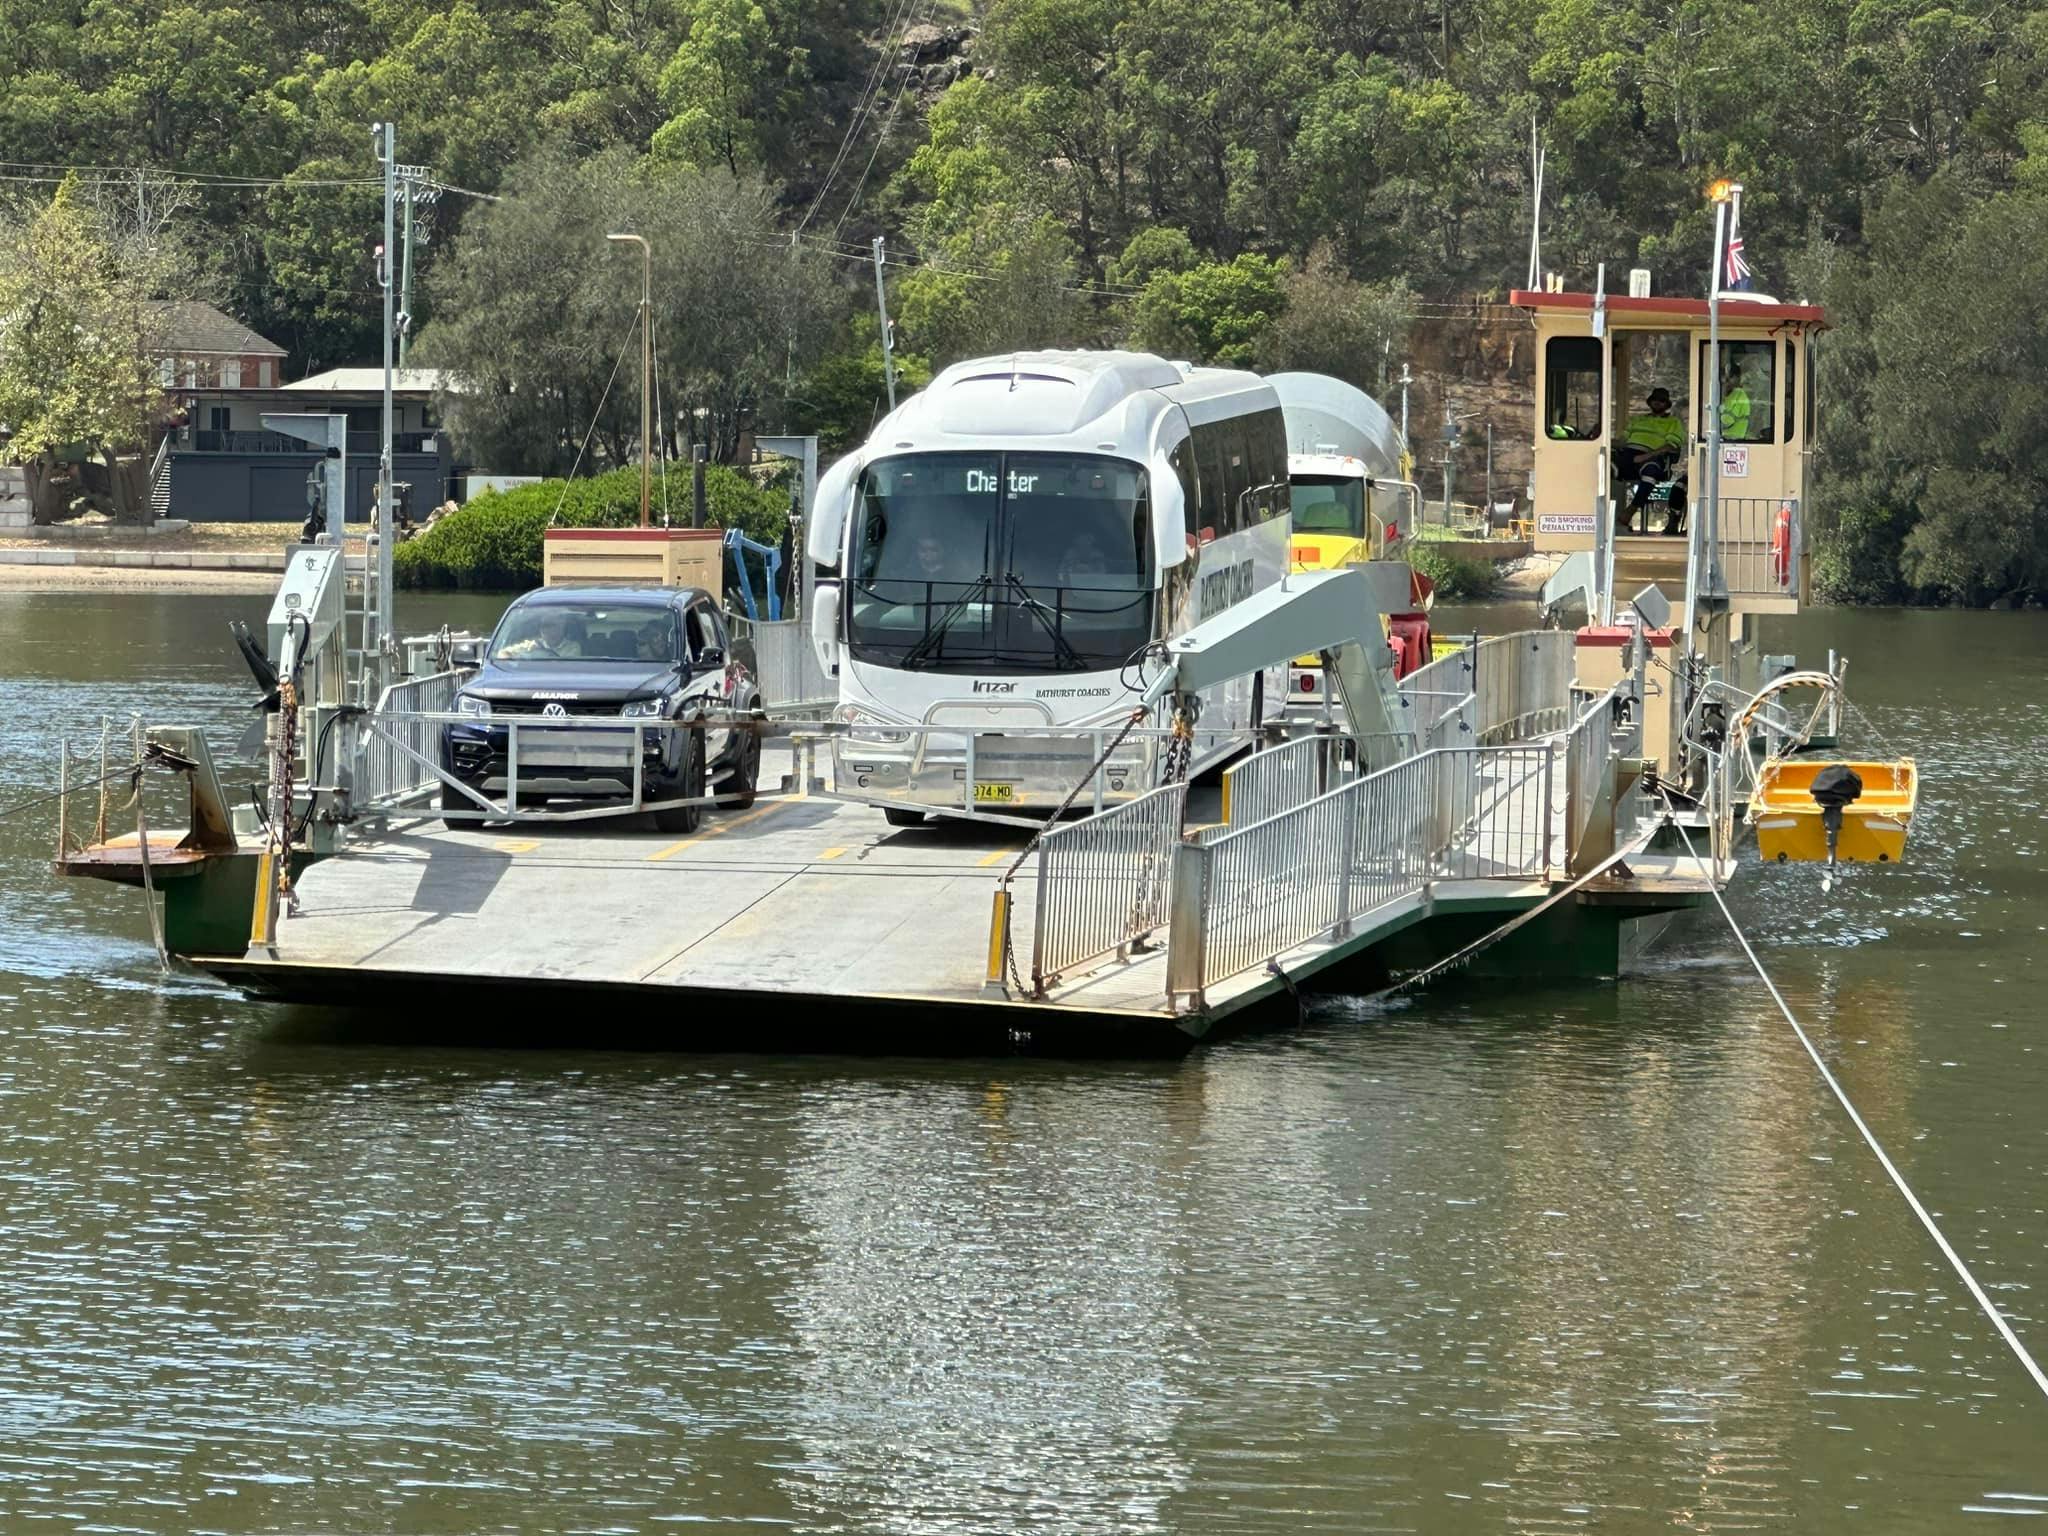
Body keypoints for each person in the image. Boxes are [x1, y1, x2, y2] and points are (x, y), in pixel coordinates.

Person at [1615, 388, 1686, 532]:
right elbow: (1622, 440)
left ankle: (1630, 511)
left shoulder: (1673, 422)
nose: (1658, 402)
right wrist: (1600, 439)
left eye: (1662, 400)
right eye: (1655, 399)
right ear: (1649, 402)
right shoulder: (1638, 419)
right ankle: (1598, 519)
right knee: (1604, 465)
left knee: (1650, 471)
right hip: (1629, 454)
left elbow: (1670, 447)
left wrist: (1645, 456)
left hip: (1654, 456)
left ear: (1667, 404)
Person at [500, 607, 582, 659]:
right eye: (545, 626)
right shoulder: (531, 645)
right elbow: (503, 653)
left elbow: (566, 669)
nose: (549, 630)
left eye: (554, 625)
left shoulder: (572, 647)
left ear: (562, 627)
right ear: (540, 629)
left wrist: (538, 654)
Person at [1719, 365, 1753, 441]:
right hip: (1727, 439)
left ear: (1737, 377)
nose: (1725, 383)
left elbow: (1726, 421)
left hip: (1733, 440)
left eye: (1728, 379)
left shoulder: (1739, 394)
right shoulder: (1729, 395)